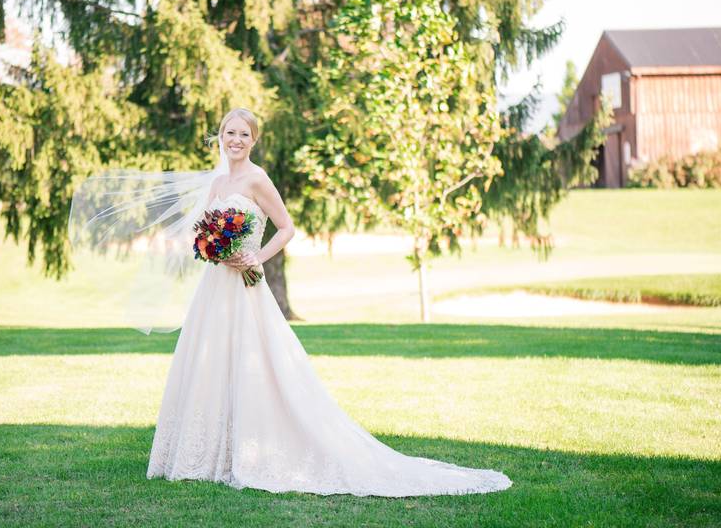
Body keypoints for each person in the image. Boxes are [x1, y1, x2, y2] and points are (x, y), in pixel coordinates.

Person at [145, 107, 512, 497]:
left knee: (259, 365)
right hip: (215, 286)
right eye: (229, 133)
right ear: (221, 136)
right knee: (209, 362)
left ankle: (254, 450)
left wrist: (256, 258)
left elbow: (286, 228)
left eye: (244, 135)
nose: (235, 140)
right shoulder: (218, 183)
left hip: (246, 286)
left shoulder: (257, 179)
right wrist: (215, 249)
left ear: (254, 141)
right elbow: (202, 236)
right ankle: (208, 455)